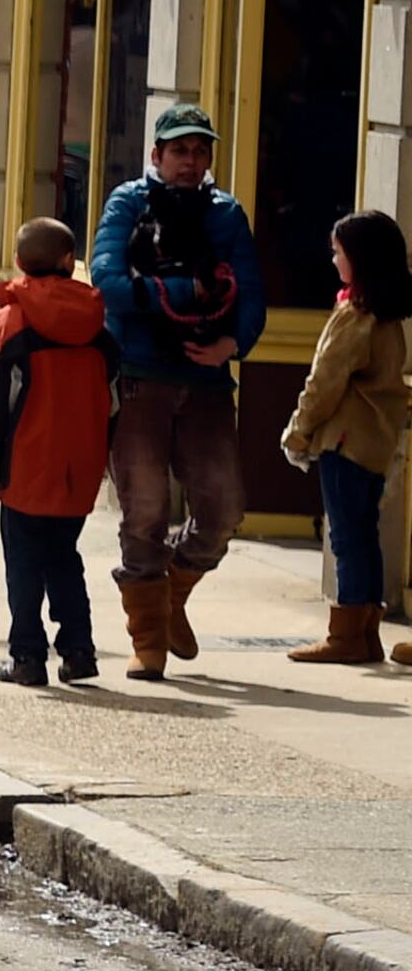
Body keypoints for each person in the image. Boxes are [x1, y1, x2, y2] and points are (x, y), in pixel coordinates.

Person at [85, 101, 264, 672]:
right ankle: (149, 642)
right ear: (156, 155)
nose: (191, 162)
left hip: (208, 381)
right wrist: (191, 293)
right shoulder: (127, 202)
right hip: (139, 377)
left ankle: (169, 597)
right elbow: (107, 281)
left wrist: (232, 344)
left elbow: (251, 296)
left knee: (223, 509)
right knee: (144, 512)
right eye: (180, 150)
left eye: (201, 151)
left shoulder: (226, 214)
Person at [0, 218, 117, 687]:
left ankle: (27, 654)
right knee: (64, 555)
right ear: (71, 263)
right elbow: (112, 404)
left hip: (26, 466)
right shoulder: (98, 328)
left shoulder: (11, 323)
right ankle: (78, 647)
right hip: (79, 468)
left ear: (19, 263)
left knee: (24, 562)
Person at [280, 209, 412, 668]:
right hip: (374, 441)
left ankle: (346, 635)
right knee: (364, 535)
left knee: (347, 538)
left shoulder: (355, 313)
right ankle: (366, 632)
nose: (333, 259)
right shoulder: (388, 316)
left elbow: (325, 381)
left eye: (338, 252)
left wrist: (297, 433)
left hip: (345, 440)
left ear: (359, 258)